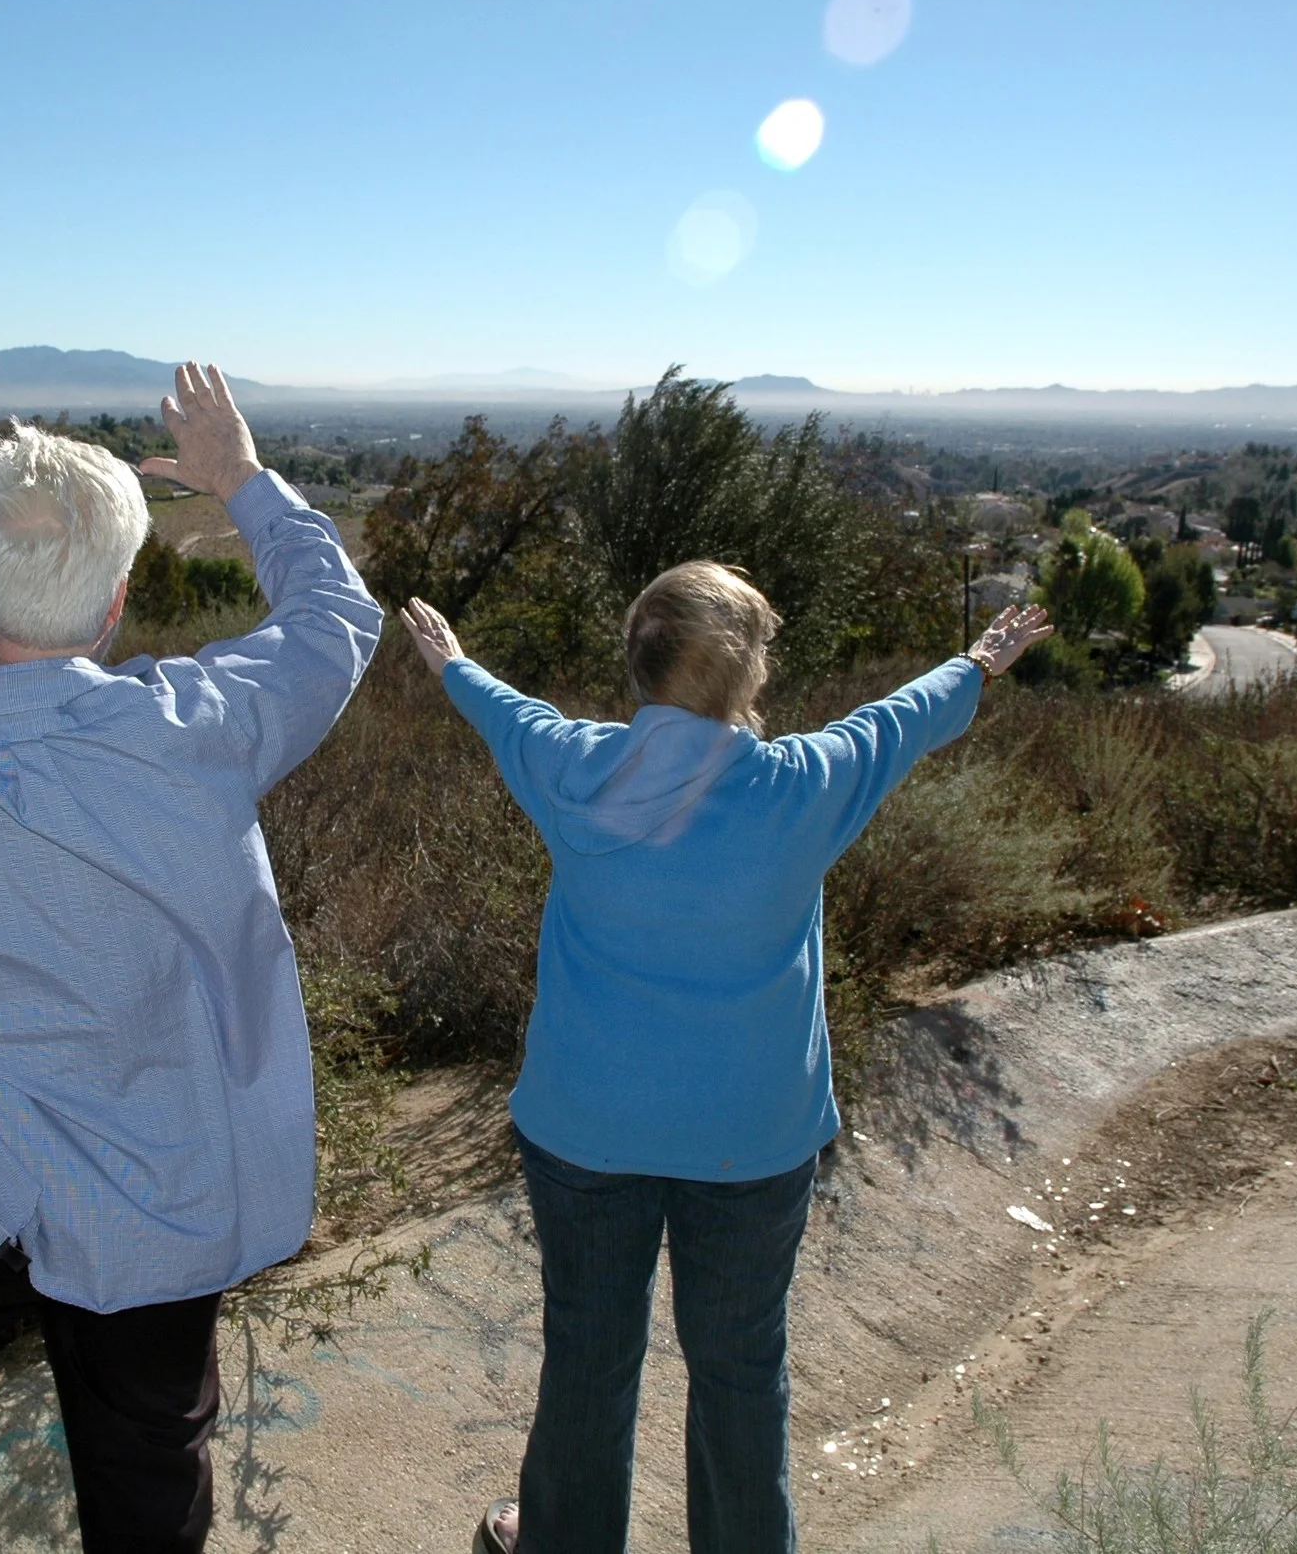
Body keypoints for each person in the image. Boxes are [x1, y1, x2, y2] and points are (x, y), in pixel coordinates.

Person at [0, 363, 382, 1554]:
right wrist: (239, 479)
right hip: (154, 1208)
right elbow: (338, 622)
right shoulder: (197, 728)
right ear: (116, 602)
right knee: (148, 1469)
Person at [397, 567, 1052, 1554]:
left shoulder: (572, 769)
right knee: (743, 1373)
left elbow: (505, 712)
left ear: (638, 662)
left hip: (588, 1129)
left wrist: (451, 664)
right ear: (748, 673)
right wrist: (979, 661)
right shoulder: (801, 787)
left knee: (587, 1358)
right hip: (752, 1136)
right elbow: (902, 718)